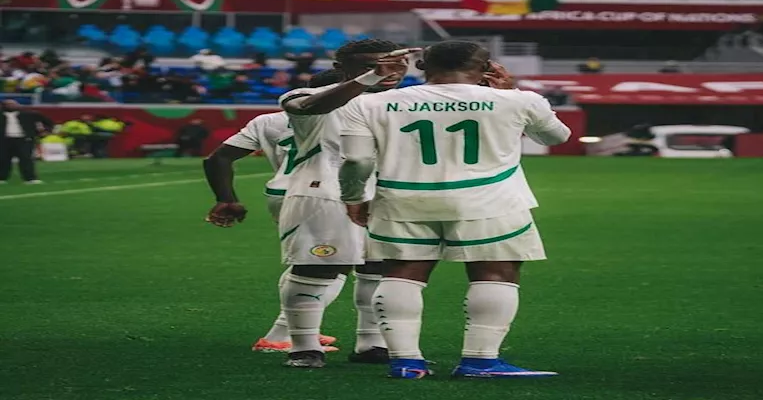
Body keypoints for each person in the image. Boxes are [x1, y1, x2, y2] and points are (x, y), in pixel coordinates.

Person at [335, 40, 571, 379]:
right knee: (495, 273)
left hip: (403, 199)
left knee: (401, 273)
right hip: (490, 200)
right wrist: (511, 91)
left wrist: (354, 197)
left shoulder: (370, 103)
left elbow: (356, 160)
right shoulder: (519, 100)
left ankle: (405, 362)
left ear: (421, 66)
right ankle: (480, 361)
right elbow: (555, 137)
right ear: (487, 67)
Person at [218, 39, 416, 369]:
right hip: (324, 194)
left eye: (393, 64)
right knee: (316, 269)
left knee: (379, 269)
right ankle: (304, 347)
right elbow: (308, 107)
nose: (386, 71)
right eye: (371, 65)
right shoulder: (303, 96)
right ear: (341, 69)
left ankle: (371, 343)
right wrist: (370, 78)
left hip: (385, 195)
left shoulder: (406, 102)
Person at [203, 70, 345, 354]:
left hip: (282, 193)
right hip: (327, 193)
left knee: (307, 263)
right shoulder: (351, 117)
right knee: (334, 265)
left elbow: (217, 158)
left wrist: (226, 199)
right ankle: (282, 334)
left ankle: (302, 327)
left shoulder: (268, 120)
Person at [0, 100, 53, 184]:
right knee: (3, 159)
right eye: (8, 104)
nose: (11, 106)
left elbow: (47, 121)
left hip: (24, 139)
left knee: (26, 158)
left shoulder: (29, 114)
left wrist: (46, 131)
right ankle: (2, 178)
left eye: (13, 104)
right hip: (4, 140)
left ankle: (30, 178)